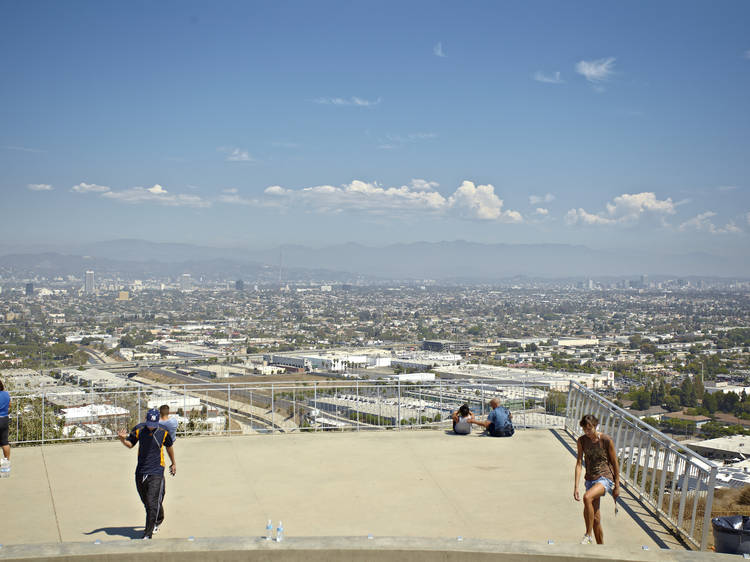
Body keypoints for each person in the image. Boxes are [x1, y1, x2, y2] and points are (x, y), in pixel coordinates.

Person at [118, 408, 176, 539]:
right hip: (141, 471)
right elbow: (130, 444)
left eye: (154, 425)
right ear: (146, 420)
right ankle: (158, 517)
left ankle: (147, 534)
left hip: (157, 471)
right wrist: (122, 439)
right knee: (147, 502)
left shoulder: (163, 431)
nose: (151, 427)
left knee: (151, 502)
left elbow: (169, 447)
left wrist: (173, 463)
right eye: (150, 424)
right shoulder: (139, 429)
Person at [573, 414, 620, 545]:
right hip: (590, 479)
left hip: (605, 477)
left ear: (595, 426)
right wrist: (576, 486)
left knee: (587, 497)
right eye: (585, 429)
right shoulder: (582, 440)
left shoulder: (606, 440)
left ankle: (588, 535)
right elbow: (578, 464)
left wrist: (617, 485)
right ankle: (601, 548)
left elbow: (615, 463)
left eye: (590, 429)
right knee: (596, 519)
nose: (587, 432)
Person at [0, 379, 10, 464]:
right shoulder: (6, 394)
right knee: (5, 442)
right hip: (4, 419)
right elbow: (9, 405)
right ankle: (6, 463)